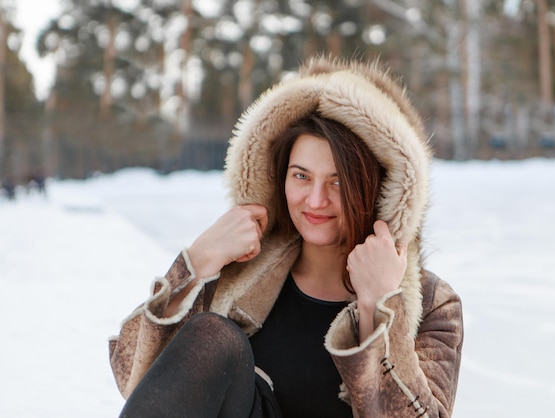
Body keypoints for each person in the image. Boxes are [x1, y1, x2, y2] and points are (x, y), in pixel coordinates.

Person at [109, 56, 463, 418]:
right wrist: (196, 264)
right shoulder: (243, 272)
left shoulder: (434, 303)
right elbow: (134, 380)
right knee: (213, 335)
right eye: (301, 176)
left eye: (338, 181)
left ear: (379, 188)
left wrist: (379, 306)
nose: (315, 200)